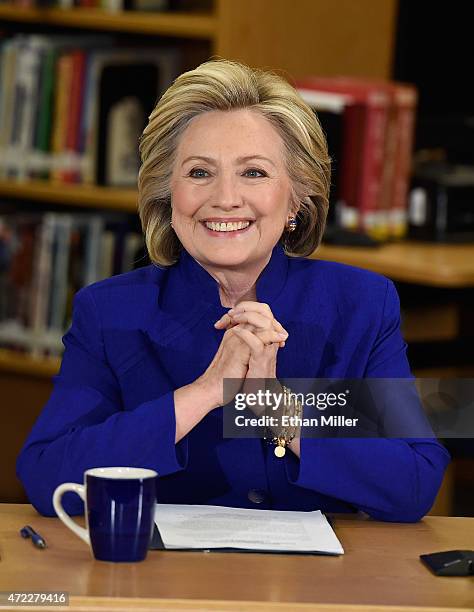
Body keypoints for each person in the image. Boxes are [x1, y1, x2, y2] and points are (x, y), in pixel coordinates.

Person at [17, 59, 450, 521]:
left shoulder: (360, 305)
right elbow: (47, 477)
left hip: (315, 587)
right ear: (168, 193)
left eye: (254, 173)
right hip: (163, 581)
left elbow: (415, 483)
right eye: (200, 173)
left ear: (297, 199)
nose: (225, 198)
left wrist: (275, 409)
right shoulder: (110, 313)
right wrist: (202, 393)